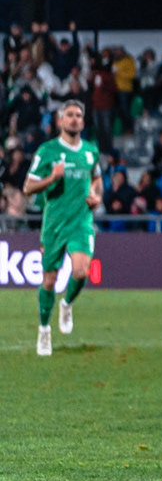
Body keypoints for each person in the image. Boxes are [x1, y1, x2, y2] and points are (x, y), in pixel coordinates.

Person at [24, 99, 102, 357]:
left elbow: (97, 179)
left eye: (79, 115)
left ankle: (67, 303)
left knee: (81, 271)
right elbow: (27, 188)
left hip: (81, 221)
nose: (74, 119)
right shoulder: (47, 151)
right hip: (54, 224)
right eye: (69, 115)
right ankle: (44, 330)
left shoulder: (90, 151)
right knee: (49, 280)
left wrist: (96, 195)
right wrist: (52, 177)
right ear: (60, 120)